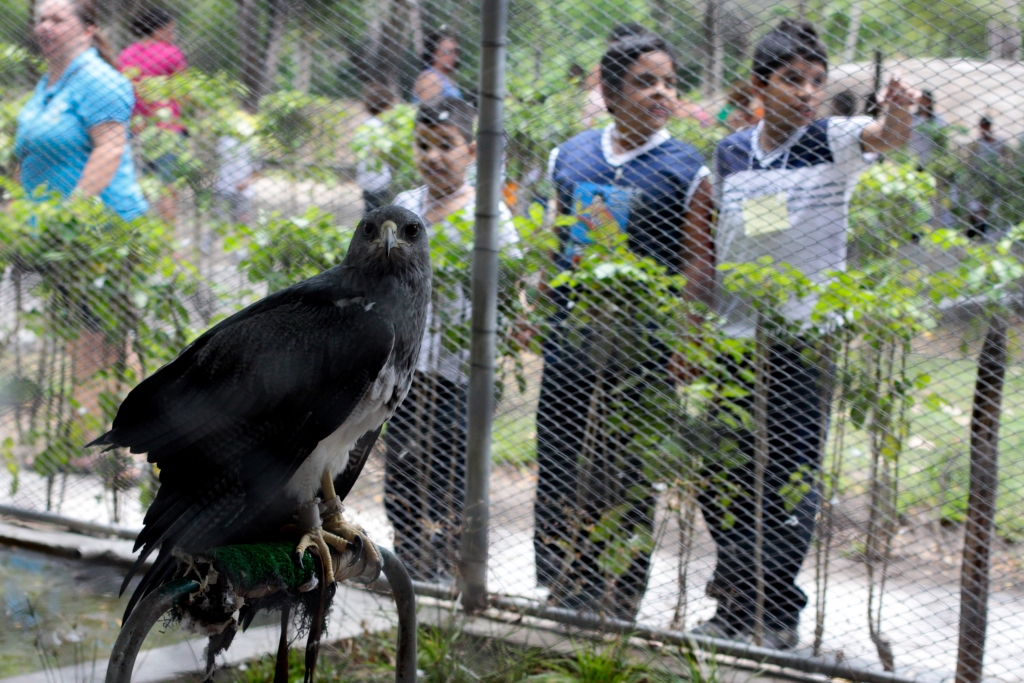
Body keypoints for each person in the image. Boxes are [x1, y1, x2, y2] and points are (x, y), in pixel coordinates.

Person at [703, 18, 917, 649]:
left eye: (817, 81)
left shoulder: (834, 139)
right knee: (727, 473)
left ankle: (776, 614)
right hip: (737, 337)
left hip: (803, 339)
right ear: (759, 85)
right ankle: (736, 602)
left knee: (790, 475)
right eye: (792, 79)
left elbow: (889, 136)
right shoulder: (732, 151)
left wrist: (899, 111)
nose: (806, 91)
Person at [534, 34, 714, 620]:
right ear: (610, 93)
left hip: (644, 354)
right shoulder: (572, 156)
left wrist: (689, 335)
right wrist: (533, 309)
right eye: (645, 80)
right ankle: (564, 581)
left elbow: (696, 261)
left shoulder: (688, 168)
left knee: (629, 469)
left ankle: (620, 594)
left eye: (669, 81)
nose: (662, 92)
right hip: (571, 342)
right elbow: (553, 245)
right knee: (562, 458)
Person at [383, 97, 519, 582]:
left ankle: (443, 563)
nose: (434, 156)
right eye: (423, 145)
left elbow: (510, 281)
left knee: (449, 464)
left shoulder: (488, 214)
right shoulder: (404, 206)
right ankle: (409, 555)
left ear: (471, 152)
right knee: (400, 462)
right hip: (402, 367)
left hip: (459, 371)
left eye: (446, 145)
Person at [15, 0, 148, 221]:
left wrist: (72, 213)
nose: (45, 27)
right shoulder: (48, 83)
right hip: (46, 226)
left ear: (88, 31)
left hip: (98, 229)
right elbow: (30, 150)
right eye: (41, 20)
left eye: (57, 21)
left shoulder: (99, 79)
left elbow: (109, 149)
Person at [118, 8, 187, 220]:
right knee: (168, 187)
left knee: (143, 186)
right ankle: (168, 243)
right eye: (170, 30)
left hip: (137, 128)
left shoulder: (126, 55)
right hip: (167, 130)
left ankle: (147, 238)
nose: (173, 35)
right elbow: (183, 93)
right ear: (158, 30)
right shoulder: (172, 54)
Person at [964, 115, 1007, 241]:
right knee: (976, 205)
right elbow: (969, 161)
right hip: (978, 177)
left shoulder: (999, 142)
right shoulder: (976, 144)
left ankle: (982, 230)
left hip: (993, 177)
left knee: (989, 205)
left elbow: (1005, 159)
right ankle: (978, 229)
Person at [355, 82, 396, 214]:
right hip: (380, 179)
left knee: (370, 210)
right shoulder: (380, 127)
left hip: (366, 177)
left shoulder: (365, 124)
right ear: (385, 107)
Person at [412, 27, 462, 104]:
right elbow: (429, 111)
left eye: (454, 51)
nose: (452, 56)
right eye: (446, 52)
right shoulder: (430, 77)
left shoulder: (443, 77)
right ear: (433, 53)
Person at [909, 89, 947, 172]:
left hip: (930, 155)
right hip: (913, 154)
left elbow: (942, 135)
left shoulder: (938, 118)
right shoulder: (912, 117)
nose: (922, 103)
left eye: (925, 100)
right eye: (921, 100)